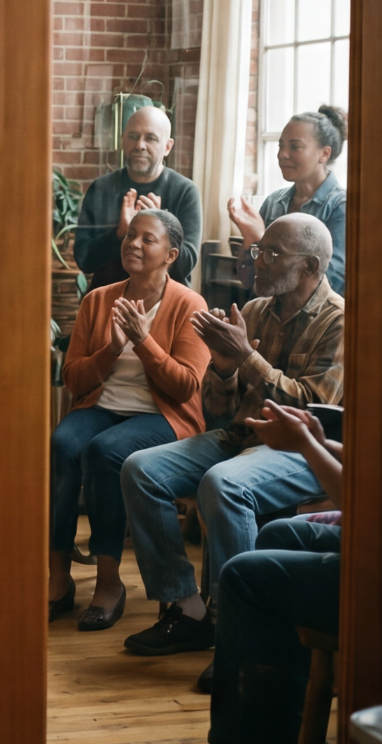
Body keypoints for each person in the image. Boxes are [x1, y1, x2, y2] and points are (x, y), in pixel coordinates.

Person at [116, 211, 343, 674]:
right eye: (259, 250)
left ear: (310, 267)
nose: (257, 260)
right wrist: (223, 367)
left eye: (272, 253)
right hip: (242, 435)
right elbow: (219, 411)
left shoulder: (340, 322)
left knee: (223, 483)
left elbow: (314, 411)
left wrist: (247, 357)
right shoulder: (255, 310)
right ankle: (190, 610)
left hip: (304, 450)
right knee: (139, 469)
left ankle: (239, 633)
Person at [51, 207, 210, 630]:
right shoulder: (98, 300)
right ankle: (58, 577)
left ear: (171, 255)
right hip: (101, 407)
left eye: (147, 239)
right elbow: (73, 378)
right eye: (130, 236)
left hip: (161, 416)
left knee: (105, 452)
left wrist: (142, 341)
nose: (133, 244)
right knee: (63, 444)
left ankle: (108, 582)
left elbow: (185, 386)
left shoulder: (190, 305)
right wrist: (110, 350)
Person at [207, 400, 344, 744]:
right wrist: (321, 443)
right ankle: (285, 729)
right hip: (364, 528)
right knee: (277, 533)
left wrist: (307, 445)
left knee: (242, 575)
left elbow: (365, 501)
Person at [73, 103, 200, 292]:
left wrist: (160, 229)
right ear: (123, 139)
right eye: (133, 136)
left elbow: (185, 266)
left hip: (164, 302)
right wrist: (120, 233)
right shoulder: (101, 188)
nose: (140, 145)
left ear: (167, 147)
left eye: (150, 138)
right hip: (109, 300)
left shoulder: (185, 191)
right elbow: (84, 260)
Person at [226, 104, 349, 295]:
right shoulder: (273, 202)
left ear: (324, 154)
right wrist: (251, 241)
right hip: (266, 311)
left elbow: (330, 283)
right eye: (281, 145)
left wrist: (261, 240)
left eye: (295, 146)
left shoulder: (341, 207)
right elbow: (250, 282)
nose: (282, 154)